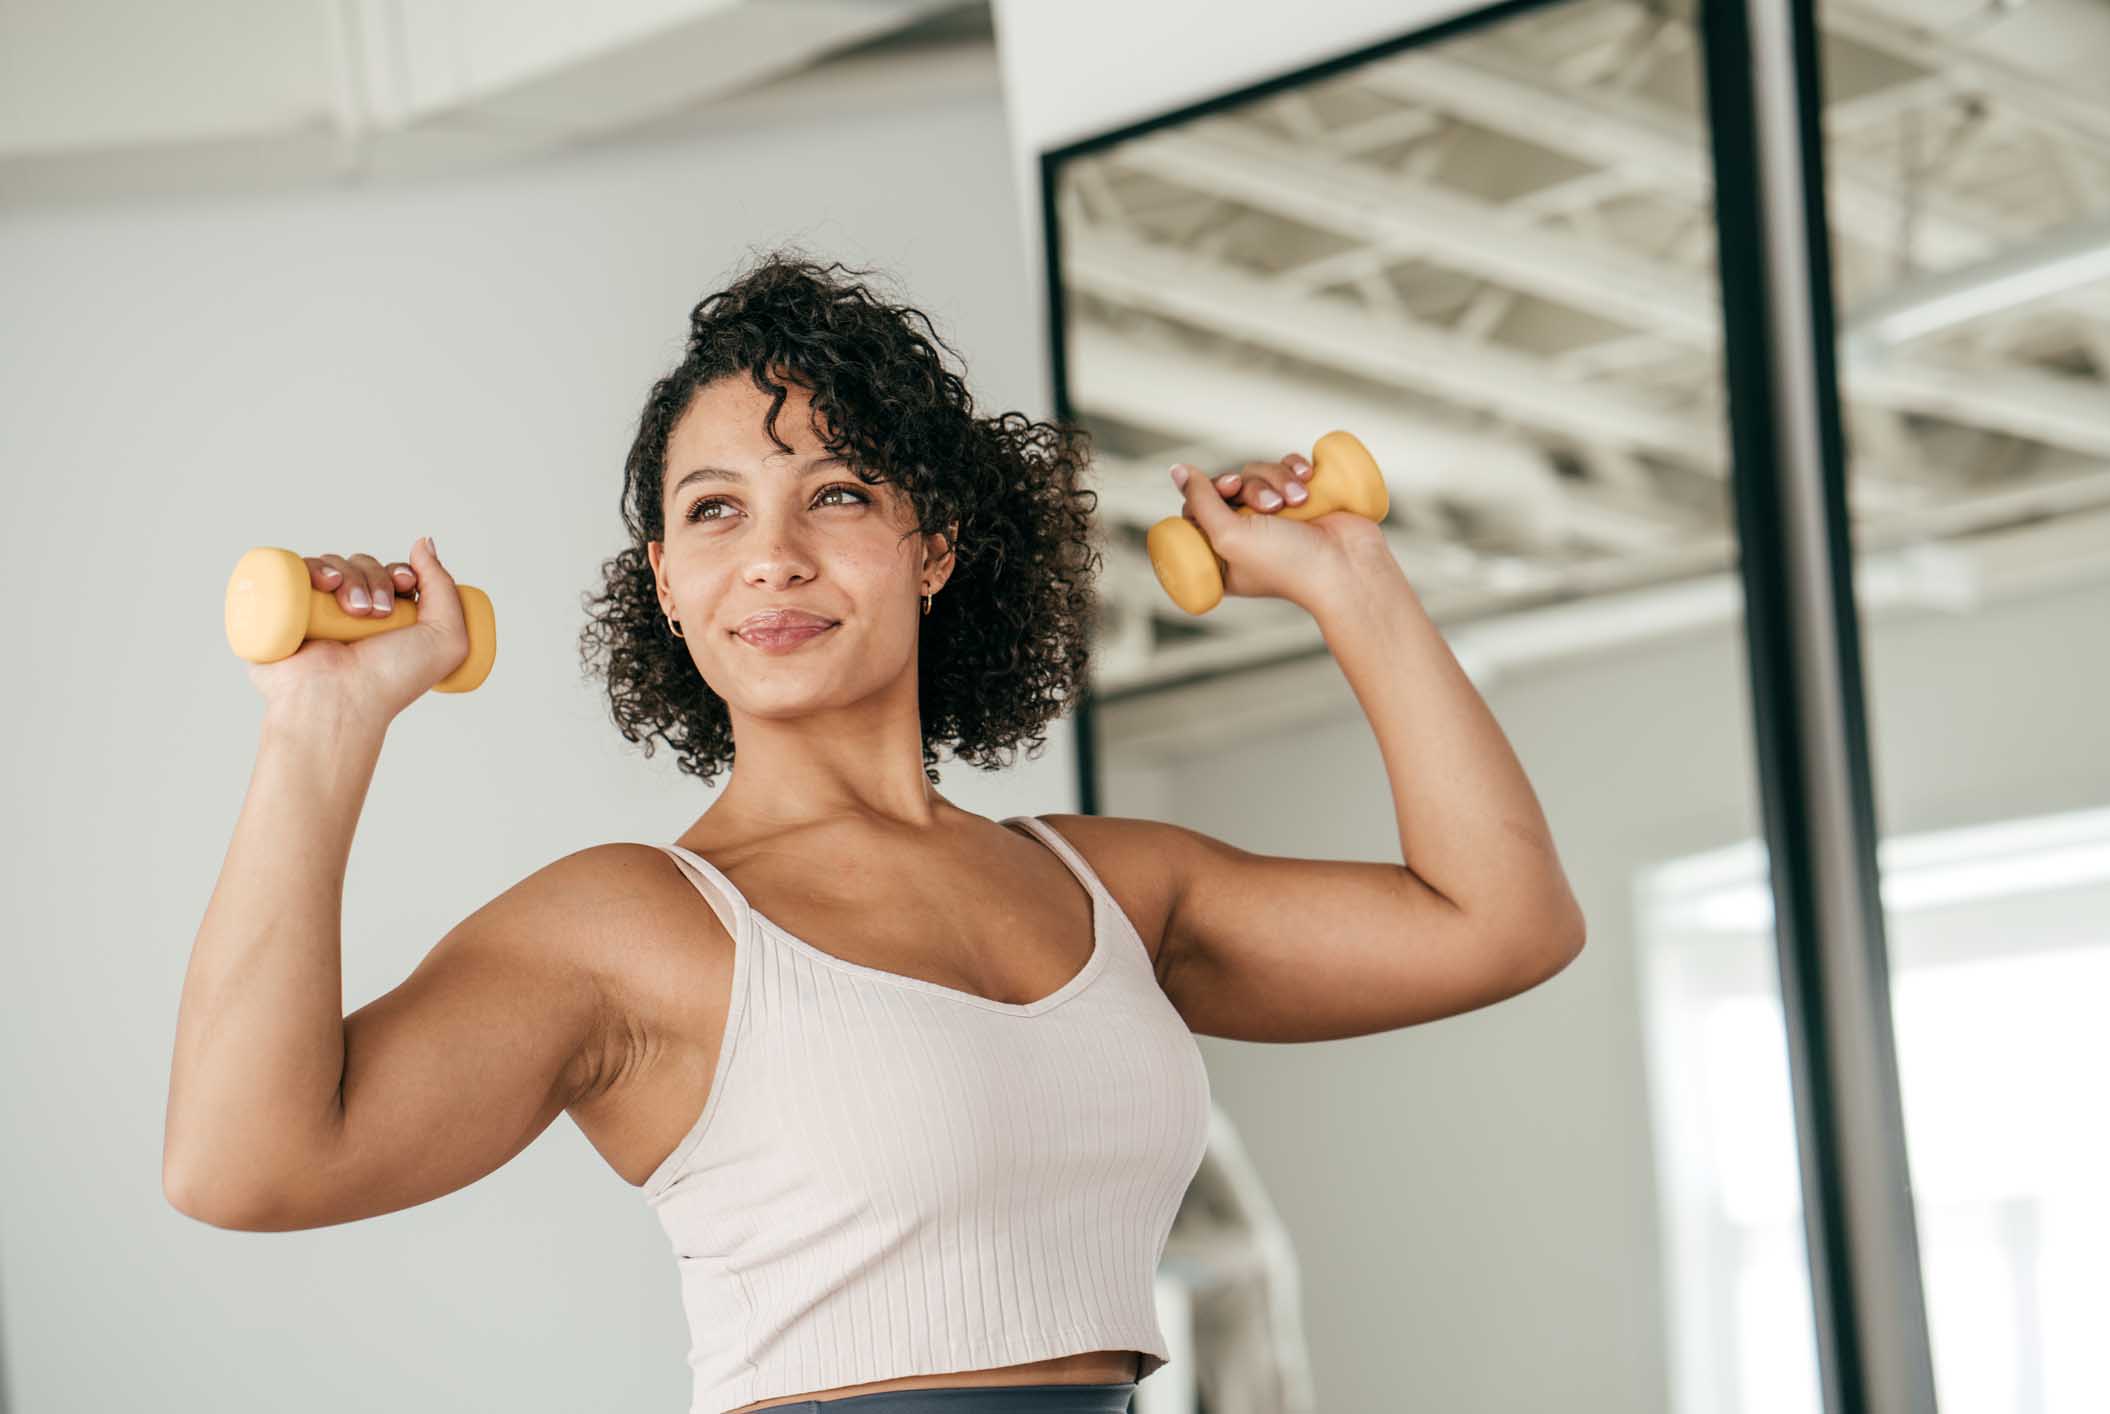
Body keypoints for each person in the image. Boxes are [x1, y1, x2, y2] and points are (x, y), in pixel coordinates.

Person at [166, 248, 1586, 1414]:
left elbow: (1504, 921)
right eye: (714, 510)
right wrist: (324, 724)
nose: (773, 553)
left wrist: (1353, 580)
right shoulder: (633, 926)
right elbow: (243, 1161)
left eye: (835, 493)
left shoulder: (1108, 883)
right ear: (665, 580)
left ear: (935, 541)